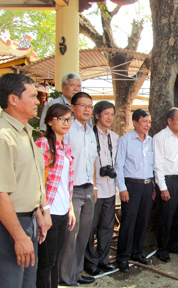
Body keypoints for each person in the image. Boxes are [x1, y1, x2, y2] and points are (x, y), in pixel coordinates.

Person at [0, 73, 51, 288]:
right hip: (6, 224)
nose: (38, 101)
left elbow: (25, 182)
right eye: (33, 96)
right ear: (13, 99)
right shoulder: (0, 137)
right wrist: (19, 236)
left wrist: (37, 213)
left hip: (26, 222)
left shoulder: (23, 132)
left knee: (27, 284)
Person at [35, 104, 77, 288]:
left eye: (69, 119)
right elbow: (36, 182)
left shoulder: (65, 146)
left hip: (62, 211)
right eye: (62, 119)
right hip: (48, 212)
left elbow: (67, 182)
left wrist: (70, 209)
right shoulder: (42, 144)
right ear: (50, 121)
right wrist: (42, 213)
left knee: (55, 262)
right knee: (46, 263)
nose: (66, 123)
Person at [59, 92, 98, 286]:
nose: (87, 110)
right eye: (83, 105)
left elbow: (91, 162)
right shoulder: (67, 130)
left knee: (83, 235)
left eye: (90, 106)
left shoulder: (90, 132)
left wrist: (94, 187)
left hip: (88, 189)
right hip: (71, 190)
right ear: (72, 107)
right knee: (70, 236)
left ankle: (76, 272)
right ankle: (65, 277)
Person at [115, 109, 155, 272]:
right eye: (144, 121)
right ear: (135, 122)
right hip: (131, 186)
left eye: (149, 122)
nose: (148, 125)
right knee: (128, 223)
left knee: (143, 221)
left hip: (147, 186)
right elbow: (119, 166)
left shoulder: (151, 141)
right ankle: (122, 257)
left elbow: (153, 165)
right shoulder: (125, 140)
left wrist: (152, 187)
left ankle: (137, 253)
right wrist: (122, 188)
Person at [153, 108, 178, 263]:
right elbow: (158, 164)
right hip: (169, 181)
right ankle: (162, 249)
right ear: (169, 121)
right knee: (166, 216)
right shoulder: (160, 137)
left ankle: (175, 245)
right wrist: (162, 187)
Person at [84, 101, 119, 275]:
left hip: (110, 188)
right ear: (97, 115)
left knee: (107, 226)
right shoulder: (89, 135)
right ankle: (89, 262)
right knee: (91, 227)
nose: (109, 118)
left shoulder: (114, 137)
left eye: (112, 114)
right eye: (106, 114)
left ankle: (103, 259)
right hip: (95, 189)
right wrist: (94, 185)